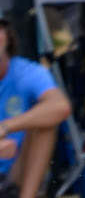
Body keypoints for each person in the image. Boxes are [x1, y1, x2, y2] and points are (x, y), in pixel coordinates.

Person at [0, 19, 70, 198]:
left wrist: (6, 127)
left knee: (46, 121)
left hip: (15, 172)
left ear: (7, 35)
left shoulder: (26, 72)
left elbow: (60, 107)